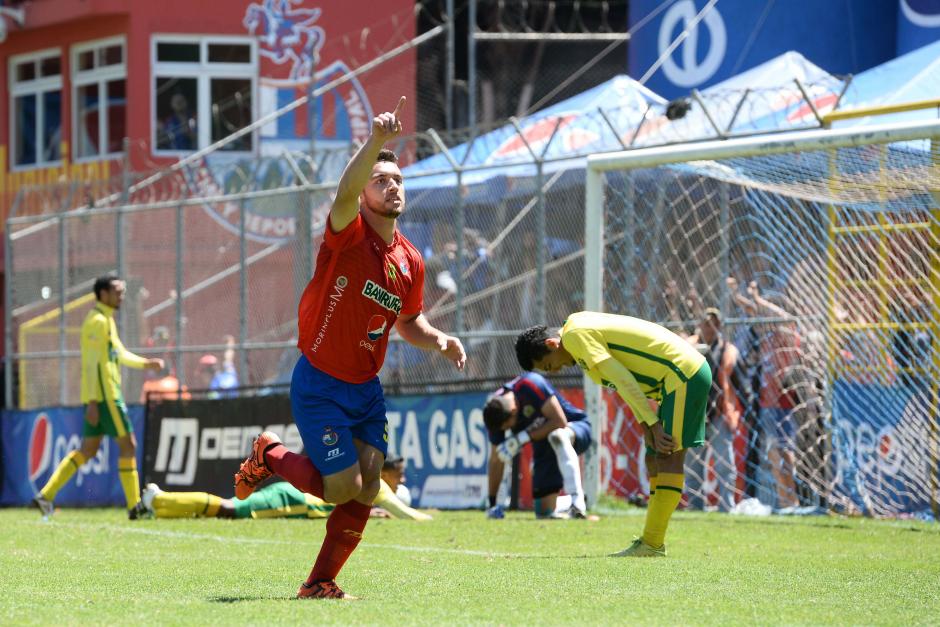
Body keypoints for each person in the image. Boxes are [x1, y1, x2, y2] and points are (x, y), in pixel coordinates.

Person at [233, 96, 465, 600]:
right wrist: (377, 143)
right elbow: (343, 191)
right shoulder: (347, 233)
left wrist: (440, 340)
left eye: (398, 180)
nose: (392, 186)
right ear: (364, 195)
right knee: (339, 487)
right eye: (381, 180)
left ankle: (319, 583)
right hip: (320, 383)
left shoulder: (410, 260)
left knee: (368, 483)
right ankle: (269, 454)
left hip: (366, 388)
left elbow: (410, 321)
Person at [515, 311, 710, 557]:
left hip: (683, 374)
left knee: (668, 456)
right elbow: (622, 383)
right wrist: (646, 424)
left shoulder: (575, 336)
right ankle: (650, 541)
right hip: (671, 381)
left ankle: (652, 543)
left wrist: (651, 422)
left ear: (551, 344)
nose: (556, 370)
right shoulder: (577, 333)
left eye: (549, 365)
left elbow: (621, 377)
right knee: (653, 457)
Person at [33, 275, 165, 519]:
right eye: (117, 291)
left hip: (101, 396)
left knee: (88, 449)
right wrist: (93, 401)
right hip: (105, 397)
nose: (121, 296)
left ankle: (46, 496)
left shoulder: (105, 320)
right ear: (103, 293)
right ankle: (135, 506)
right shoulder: (97, 322)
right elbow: (92, 364)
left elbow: (120, 353)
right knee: (129, 445)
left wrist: (146, 363)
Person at [482, 372, 592, 519]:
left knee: (558, 435)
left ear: (514, 411)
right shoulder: (495, 410)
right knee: (544, 512)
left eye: (507, 427)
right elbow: (496, 459)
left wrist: (523, 437)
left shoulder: (531, 384)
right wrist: (492, 503)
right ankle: (570, 502)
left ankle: (577, 502)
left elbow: (559, 421)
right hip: (545, 449)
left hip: (576, 429)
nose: (506, 431)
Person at [140, 472, 432, 522]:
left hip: (293, 496)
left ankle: (160, 508)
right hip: (293, 501)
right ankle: (159, 499)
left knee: (229, 510)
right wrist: (427, 519)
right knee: (232, 509)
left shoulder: (367, 487)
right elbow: (408, 514)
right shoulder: (376, 485)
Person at [684, 308, 742, 512]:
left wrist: (733, 411)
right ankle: (695, 505)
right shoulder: (689, 347)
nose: (709, 328)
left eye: (713, 324)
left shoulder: (727, 350)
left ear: (719, 326)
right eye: (706, 323)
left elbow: (737, 384)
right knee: (693, 465)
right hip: (694, 414)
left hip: (718, 414)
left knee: (724, 464)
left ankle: (727, 507)